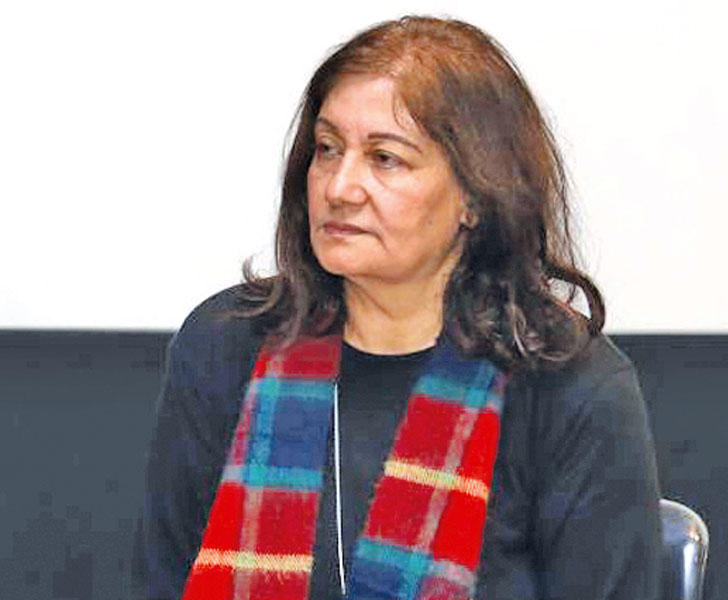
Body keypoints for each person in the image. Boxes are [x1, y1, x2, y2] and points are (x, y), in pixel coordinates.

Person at [142, 15, 662, 600]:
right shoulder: (227, 345)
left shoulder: (571, 388)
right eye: (327, 149)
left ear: (475, 196)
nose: (339, 187)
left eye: (385, 158)